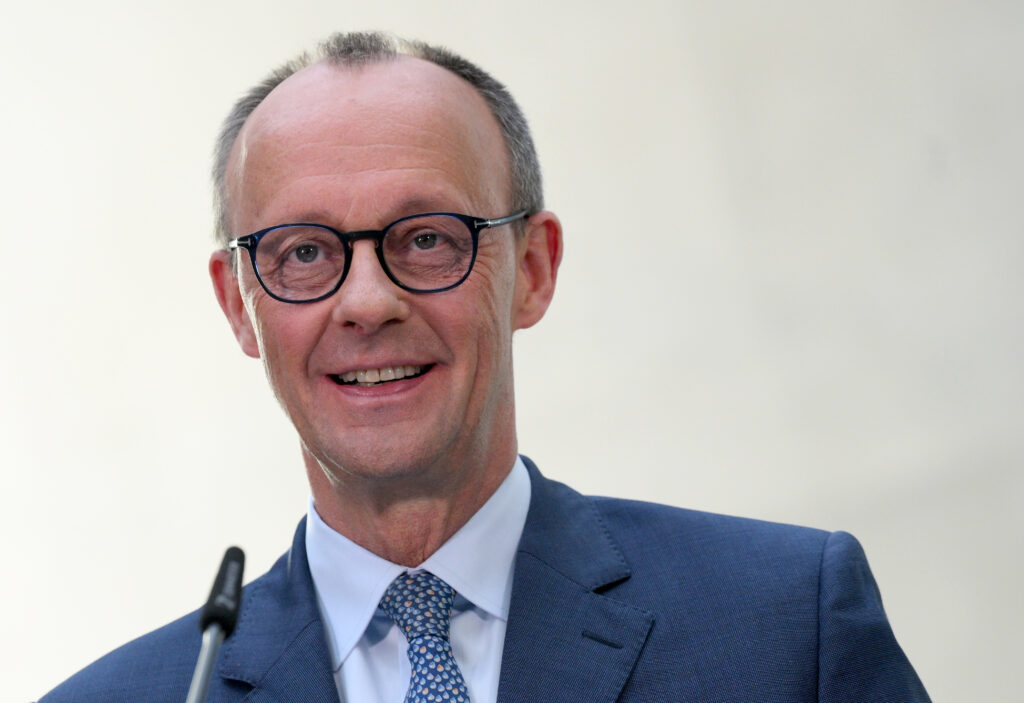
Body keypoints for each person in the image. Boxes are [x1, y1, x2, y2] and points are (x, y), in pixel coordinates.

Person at [40, 31, 930, 702]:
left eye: (427, 238)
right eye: (303, 252)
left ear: (532, 269)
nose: (367, 301)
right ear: (240, 304)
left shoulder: (786, 627)